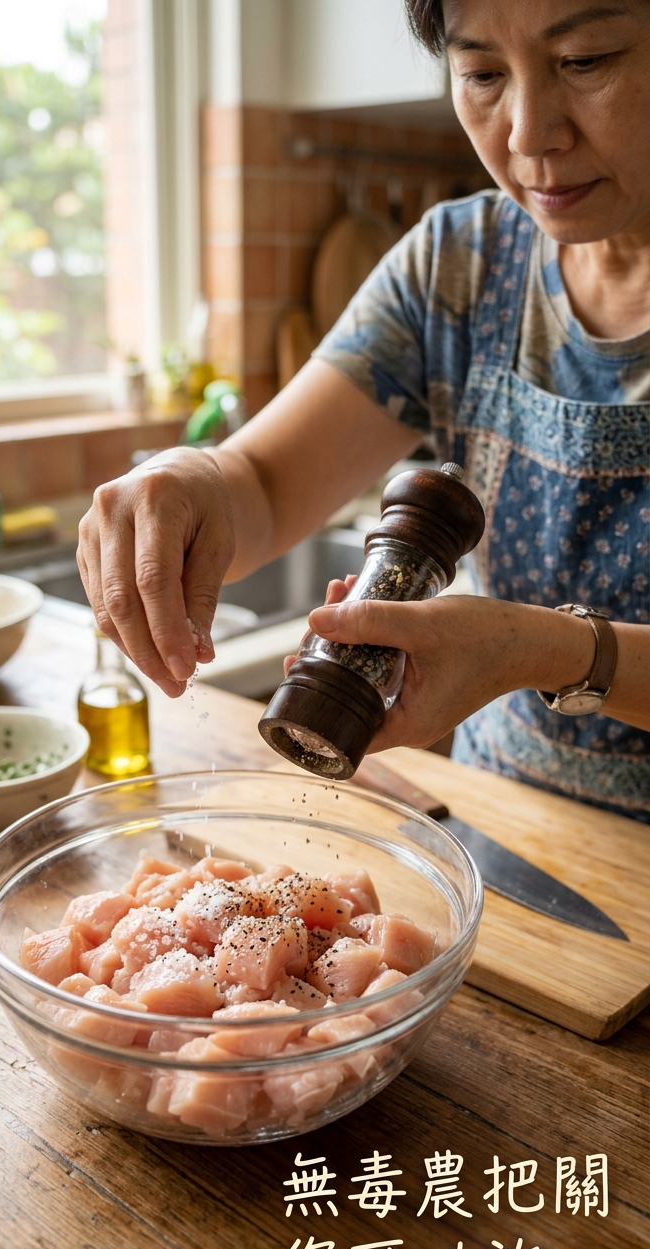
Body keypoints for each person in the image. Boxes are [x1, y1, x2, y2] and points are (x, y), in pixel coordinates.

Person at [78, 0, 650, 821]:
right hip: (516, 831)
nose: (528, 134)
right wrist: (189, 478)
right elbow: (264, 484)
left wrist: (542, 650)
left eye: (586, 60)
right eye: (482, 74)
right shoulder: (457, 264)